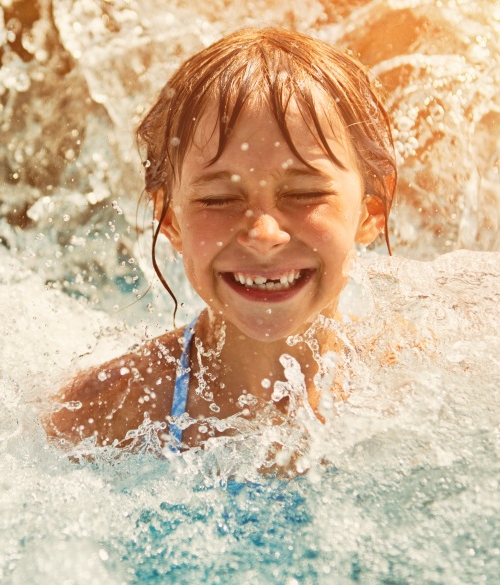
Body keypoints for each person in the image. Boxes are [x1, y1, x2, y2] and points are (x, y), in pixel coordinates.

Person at [46, 27, 397, 454]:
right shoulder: (106, 413)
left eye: (304, 194)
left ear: (370, 212)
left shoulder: (416, 384)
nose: (264, 235)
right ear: (170, 219)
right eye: (219, 199)